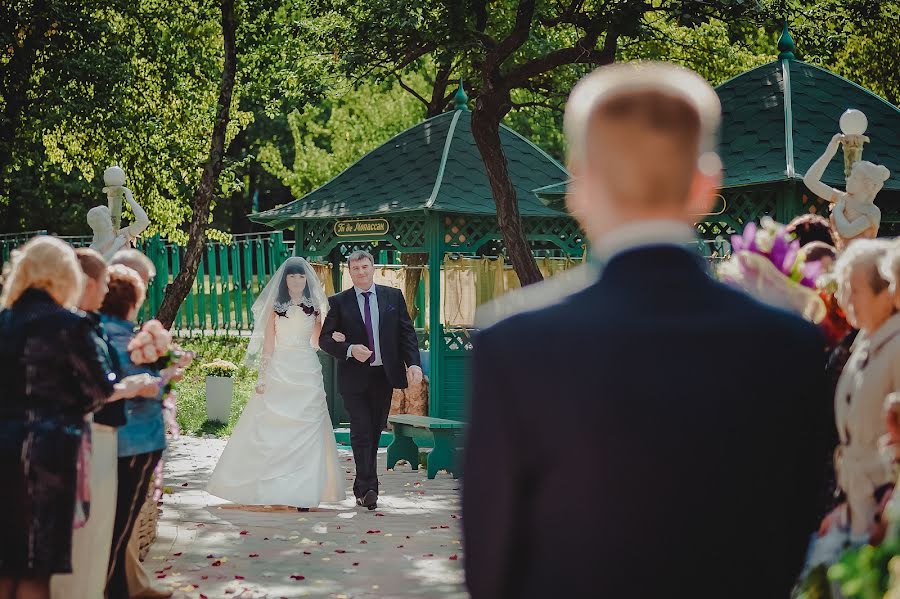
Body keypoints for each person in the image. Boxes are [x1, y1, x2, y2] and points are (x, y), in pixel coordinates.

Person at [463, 62, 828, 599]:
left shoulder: (513, 342)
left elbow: (490, 564)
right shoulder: (788, 343)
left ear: (579, 185)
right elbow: (791, 535)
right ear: (707, 186)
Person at [0, 237, 157, 599]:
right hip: (48, 455)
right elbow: (98, 391)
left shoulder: (4, 321)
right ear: (65, 275)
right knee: (37, 566)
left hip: (4, 453)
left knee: (7, 560)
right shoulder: (70, 325)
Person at [207, 257, 345, 509]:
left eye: (301, 276)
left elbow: (317, 341)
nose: (297, 280)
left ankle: (305, 491)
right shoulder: (275, 307)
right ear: (285, 280)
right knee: (275, 428)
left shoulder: (313, 306)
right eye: (292, 276)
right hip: (280, 368)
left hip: (306, 369)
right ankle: (273, 488)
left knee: (308, 428)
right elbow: (268, 344)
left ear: (307, 280)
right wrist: (263, 376)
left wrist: (332, 334)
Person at [319, 251, 422, 510]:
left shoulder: (392, 296)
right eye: (355, 269)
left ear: (373, 268)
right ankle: (369, 488)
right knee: (362, 430)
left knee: (374, 430)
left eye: (365, 267)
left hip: (383, 376)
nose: (361, 272)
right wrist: (350, 349)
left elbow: (406, 333)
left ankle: (362, 488)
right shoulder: (339, 302)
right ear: (349, 272)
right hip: (354, 377)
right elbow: (325, 339)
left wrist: (414, 364)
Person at [51, 248, 126, 599]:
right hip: (84, 436)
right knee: (86, 538)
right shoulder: (73, 326)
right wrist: (129, 386)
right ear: (89, 283)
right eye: (104, 283)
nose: (106, 292)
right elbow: (98, 387)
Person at [820, 240, 900, 546]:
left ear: (887, 292)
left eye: (855, 290)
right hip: (857, 516)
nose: (846, 299)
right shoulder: (863, 344)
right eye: (844, 289)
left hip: (885, 522)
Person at [100, 266, 167, 599]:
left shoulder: (95, 331)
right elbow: (147, 388)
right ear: (134, 301)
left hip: (109, 442)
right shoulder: (124, 339)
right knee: (119, 525)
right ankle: (116, 590)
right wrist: (168, 375)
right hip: (136, 441)